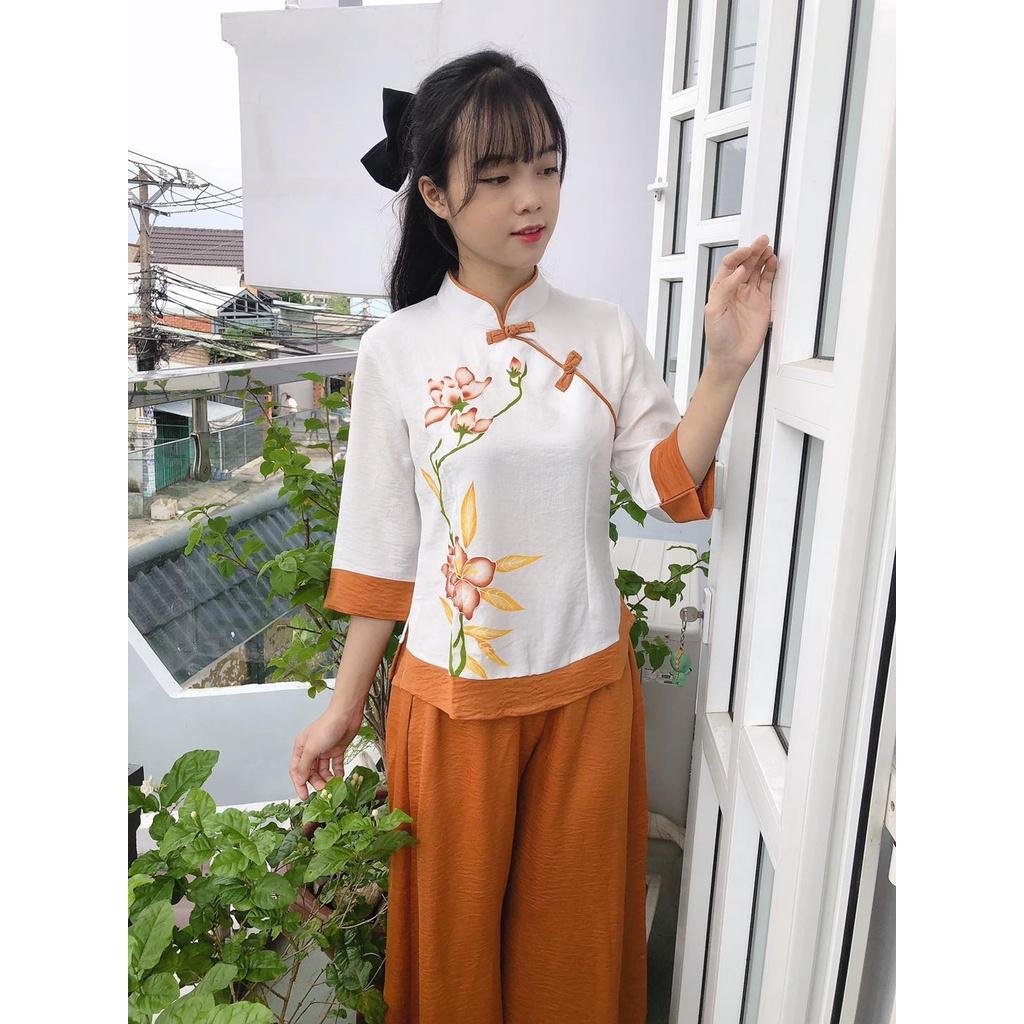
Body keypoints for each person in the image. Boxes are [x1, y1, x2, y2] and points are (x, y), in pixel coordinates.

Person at [290, 49, 774, 1024]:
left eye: (547, 168)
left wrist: (724, 367)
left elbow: (667, 487)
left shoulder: (604, 333)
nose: (531, 198)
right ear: (435, 195)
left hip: (585, 690)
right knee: (456, 963)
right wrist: (344, 708)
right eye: (499, 175)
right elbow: (381, 549)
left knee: (573, 956)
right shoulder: (396, 350)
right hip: (451, 704)